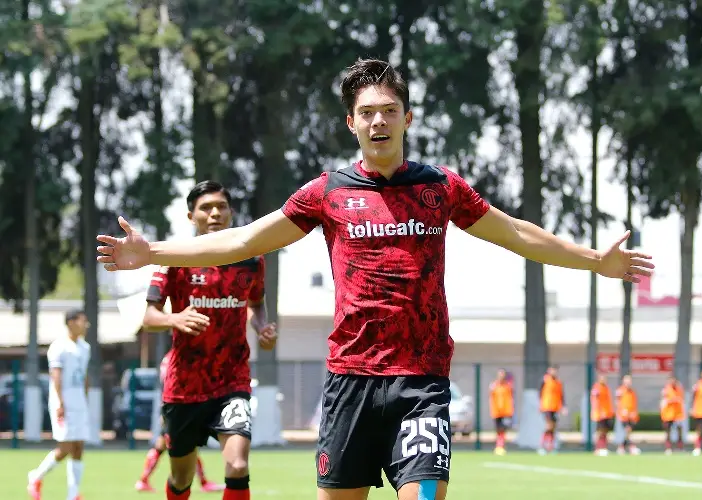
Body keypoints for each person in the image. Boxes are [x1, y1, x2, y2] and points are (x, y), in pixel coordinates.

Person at [96, 59, 654, 500]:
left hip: (422, 384)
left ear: (408, 118)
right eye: (366, 112)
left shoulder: (441, 188)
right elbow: (244, 240)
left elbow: (515, 234)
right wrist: (153, 253)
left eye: (389, 110)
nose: (378, 121)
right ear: (351, 122)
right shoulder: (327, 192)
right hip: (350, 383)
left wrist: (592, 260)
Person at [136, 180, 277, 500]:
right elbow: (149, 317)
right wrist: (175, 318)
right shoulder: (175, 259)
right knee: (181, 479)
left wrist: (262, 326)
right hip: (184, 387)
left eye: (221, 206)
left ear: (230, 212)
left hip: (233, 380)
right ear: (191, 216)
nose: (215, 213)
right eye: (206, 208)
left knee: (238, 466)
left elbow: (255, 302)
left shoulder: (252, 259)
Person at [135, 349, 224, 492]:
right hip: (178, 407)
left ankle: (143, 480)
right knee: (171, 446)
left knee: (178, 446)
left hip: (172, 406)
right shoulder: (179, 357)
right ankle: (143, 480)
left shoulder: (170, 357)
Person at [27, 309, 91, 500]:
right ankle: (36, 476)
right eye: (82, 321)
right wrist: (61, 403)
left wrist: (85, 397)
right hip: (63, 402)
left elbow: (84, 376)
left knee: (79, 446)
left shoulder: (85, 347)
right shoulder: (58, 346)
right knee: (65, 447)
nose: (85, 325)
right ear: (71, 322)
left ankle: (73, 494)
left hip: (79, 402)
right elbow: (56, 375)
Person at [539, 366, 566, 455]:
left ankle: (550, 447)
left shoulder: (558, 383)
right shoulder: (545, 381)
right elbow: (540, 393)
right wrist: (540, 405)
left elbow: (561, 395)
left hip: (555, 407)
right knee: (549, 426)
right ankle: (543, 446)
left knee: (553, 428)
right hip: (547, 407)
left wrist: (563, 406)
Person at [488, 369, 514, 455]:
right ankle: (498, 446)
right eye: (500, 374)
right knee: (498, 430)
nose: (501, 376)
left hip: (506, 412)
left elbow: (510, 399)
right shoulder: (494, 386)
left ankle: (500, 446)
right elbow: (491, 398)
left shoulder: (508, 386)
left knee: (503, 429)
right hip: (496, 412)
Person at [615, 374, 640, 455]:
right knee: (627, 430)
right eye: (626, 381)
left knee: (628, 432)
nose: (628, 383)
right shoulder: (620, 391)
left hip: (631, 415)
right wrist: (621, 410)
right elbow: (617, 402)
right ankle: (629, 446)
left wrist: (634, 413)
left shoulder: (632, 392)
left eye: (629, 381)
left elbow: (634, 404)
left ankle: (622, 447)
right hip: (623, 416)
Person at [660, 375, 685, 454]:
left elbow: (681, 400)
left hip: (677, 414)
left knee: (679, 431)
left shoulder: (679, 389)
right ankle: (668, 448)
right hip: (668, 414)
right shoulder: (666, 390)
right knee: (668, 432)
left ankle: (680, 447)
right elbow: (663, 401)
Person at [590, 374, 614, 456]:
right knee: (600, 431)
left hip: (607, 413)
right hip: (600, 414)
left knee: (606, 432)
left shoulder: (606, 388)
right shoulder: (596, 388)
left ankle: (604, 448)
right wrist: (598, 411)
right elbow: (595, 401)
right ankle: (597, 448)